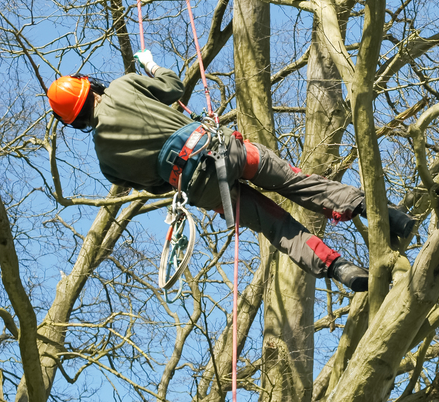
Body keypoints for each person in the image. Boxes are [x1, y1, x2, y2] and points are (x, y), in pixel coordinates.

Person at [46, 50, 415, 292]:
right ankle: (386, 215)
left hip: (202, 188)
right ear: (88, 85)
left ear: (75, 121)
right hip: (224, 150)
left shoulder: (106, 161)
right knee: (294, 181)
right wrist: (152, 65)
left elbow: (157, 186)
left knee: (277, 228)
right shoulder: (124, 87)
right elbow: (173, 87)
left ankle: (339, 269)